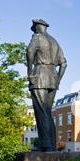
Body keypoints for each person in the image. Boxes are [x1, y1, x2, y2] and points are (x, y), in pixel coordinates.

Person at [26, 19, 67, 151]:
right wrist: (58, 79)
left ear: (37, 28)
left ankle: (45, 145)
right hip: (53, 77)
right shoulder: (54, 41)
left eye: (34, 28)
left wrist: (29, 73)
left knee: (41, 112)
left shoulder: (37, 37)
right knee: (47, 113)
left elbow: (29, 52)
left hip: (40, 75)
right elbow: (64, 63)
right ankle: (50, 145)